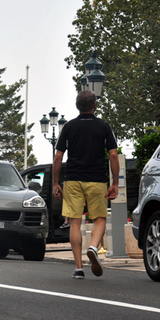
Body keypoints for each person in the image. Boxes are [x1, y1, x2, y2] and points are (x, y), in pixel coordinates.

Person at [52, 90, 119, 279]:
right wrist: (114, 183)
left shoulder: (69, 127)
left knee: (75, 221)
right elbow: (113, 155)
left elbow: (58, 156)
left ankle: (79, 268)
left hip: (73, 179)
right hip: (97, 179)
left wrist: (56, 183)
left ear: (77, 106)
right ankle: (93, 248)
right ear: (95, 105)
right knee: (99, 218)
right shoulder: (103, 126)